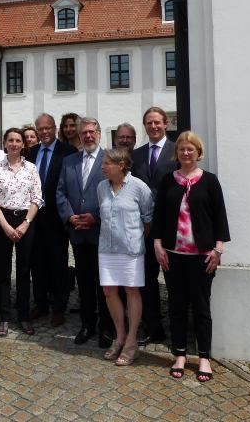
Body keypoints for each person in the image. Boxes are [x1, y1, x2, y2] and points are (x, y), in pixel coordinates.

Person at [152, 131, 230, 382]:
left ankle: (204, 356)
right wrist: (158, 244)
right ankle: (180, 354)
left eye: (191, 149)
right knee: (176, 306)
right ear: (177, 153)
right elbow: (159, 215)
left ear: (198, 152)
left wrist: (218, 249)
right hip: (173, 255)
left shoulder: (209, 181)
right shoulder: (168, 180)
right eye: (182, 149)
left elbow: (220, 216)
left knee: (201, 306)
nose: (186, 153)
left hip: (202, 256)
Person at [56, 117, 112, 348]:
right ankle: (87, 324)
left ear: (99, 133)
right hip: (78, 233)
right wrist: (70, 217)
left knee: (104, 283)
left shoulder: (110, 159)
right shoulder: (69, 161)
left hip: (101, 231)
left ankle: (106, 328)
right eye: (84, 133)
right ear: (79, 136)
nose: (88, 136)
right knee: (85, 281)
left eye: (92, 132)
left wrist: (96, 216)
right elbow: (60, 192)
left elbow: (115, 193)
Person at [97, 148, 154, 366]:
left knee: (131, 291)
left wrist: (134, 237)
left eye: (106, 163)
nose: (102, 167)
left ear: (121, 165)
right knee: (109, 291)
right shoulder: (102, 187)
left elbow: (148, 218)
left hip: (130, 250)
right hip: (107, 248)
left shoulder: (139, 187)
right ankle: (119, 336)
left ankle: (132, 342)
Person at [0, 127, 44, 337]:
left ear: (23, 145)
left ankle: (23, 316)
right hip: (2, 220)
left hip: (25, 220)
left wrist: (25, 224)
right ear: (5, 143)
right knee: (3, 271)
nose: (13, 144)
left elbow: (37, 198)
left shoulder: (31, 168)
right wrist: (5, 226)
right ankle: (4, 317)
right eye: (10, 140)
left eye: (17, 140)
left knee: (23, 270)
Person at [131, 106, 178, 344]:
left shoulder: (177, 151)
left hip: (171, 226)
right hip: (144, 228)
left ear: (166, 124)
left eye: (157, 122)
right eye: (149, 123)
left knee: (173, 280)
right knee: (147, 280)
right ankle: (153, 327)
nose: (153, 127)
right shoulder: (137, 155)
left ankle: (178, 328)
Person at [27, 113, 77, 326]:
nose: (45, 132)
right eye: (41, 129)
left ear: (55, 129)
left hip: (57, 217)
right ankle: (40, 303)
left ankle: (58, 307)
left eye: (48, 128)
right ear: (37, 131)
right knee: (36, 262)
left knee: (58, 263)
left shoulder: (68, 152)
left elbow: (71, 185)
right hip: (34, 216)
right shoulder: (31, 152)